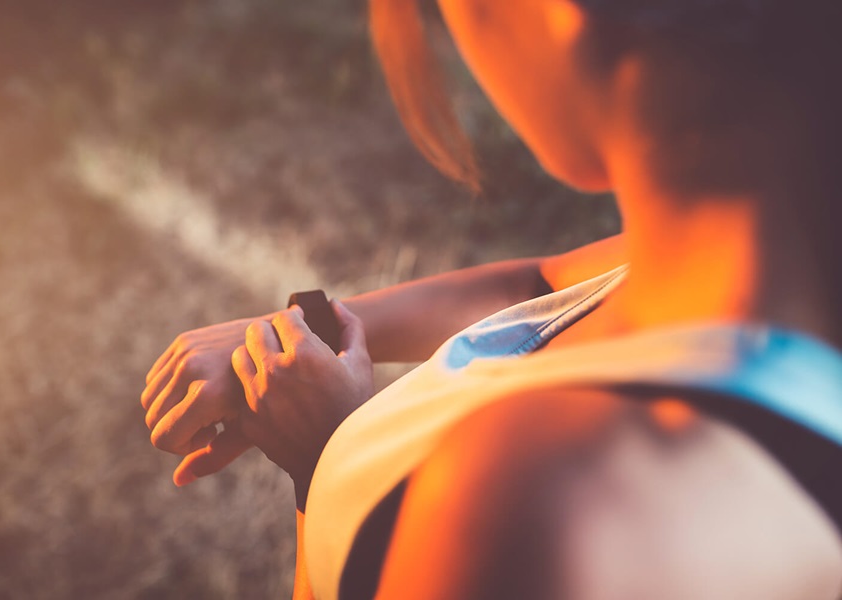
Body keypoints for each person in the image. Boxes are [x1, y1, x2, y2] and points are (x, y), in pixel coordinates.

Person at [140, 0, 842, 598]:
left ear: (558, 13)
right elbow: (540, 287)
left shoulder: (542, 499)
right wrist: (303, 331)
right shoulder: (756, 251)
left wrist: (325, 457)